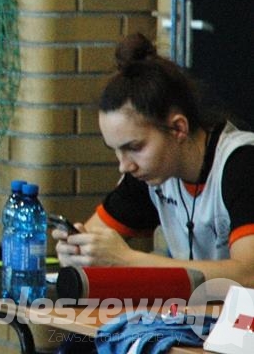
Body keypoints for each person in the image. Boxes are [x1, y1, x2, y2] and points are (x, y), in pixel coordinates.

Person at [53, 32, 254, 285]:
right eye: (116, 151)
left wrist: (127, 259)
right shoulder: (151, 173)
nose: (124, 165)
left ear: (178, 128)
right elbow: (96, 237)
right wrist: (79, 251)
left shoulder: (242, 163)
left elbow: (248, 274)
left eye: (134, 147)